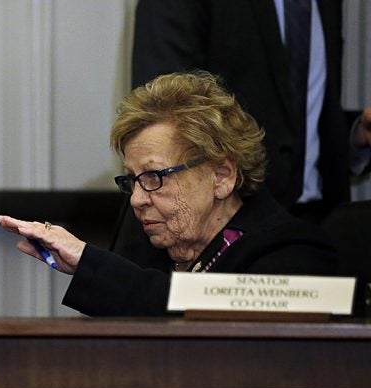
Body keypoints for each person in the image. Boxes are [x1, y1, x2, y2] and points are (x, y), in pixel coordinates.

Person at [0, 71, 337, 316]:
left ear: (222, 175)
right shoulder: (144, 252)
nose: (137, 199)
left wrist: (91, 261)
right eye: (132, 180)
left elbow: (211, 319)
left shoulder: (295, 253)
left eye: (155, 177)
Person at [131, 0, 371, 224]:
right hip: (226, 227)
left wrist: (355, 134)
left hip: (322, 223)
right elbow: (159, 116)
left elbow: (305, 110)